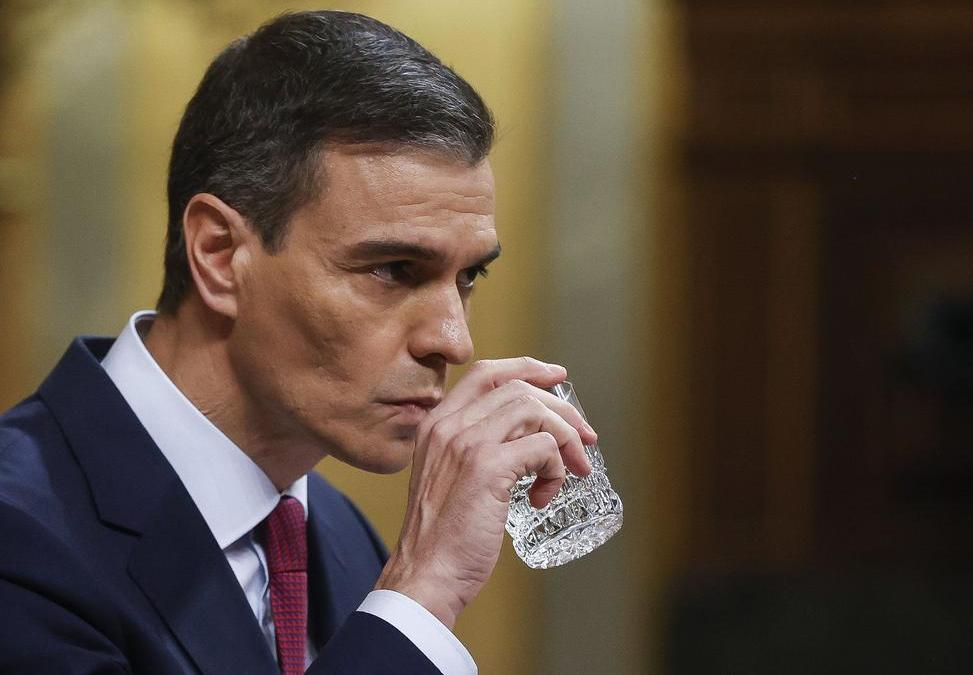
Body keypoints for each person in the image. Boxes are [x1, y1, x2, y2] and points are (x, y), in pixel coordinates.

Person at [0, 10, 595, 674]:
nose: (454, 341)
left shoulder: (339, 535)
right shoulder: (19, 530)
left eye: (469, 275)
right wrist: (423, 591)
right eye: (393, 269)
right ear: (221, 255)